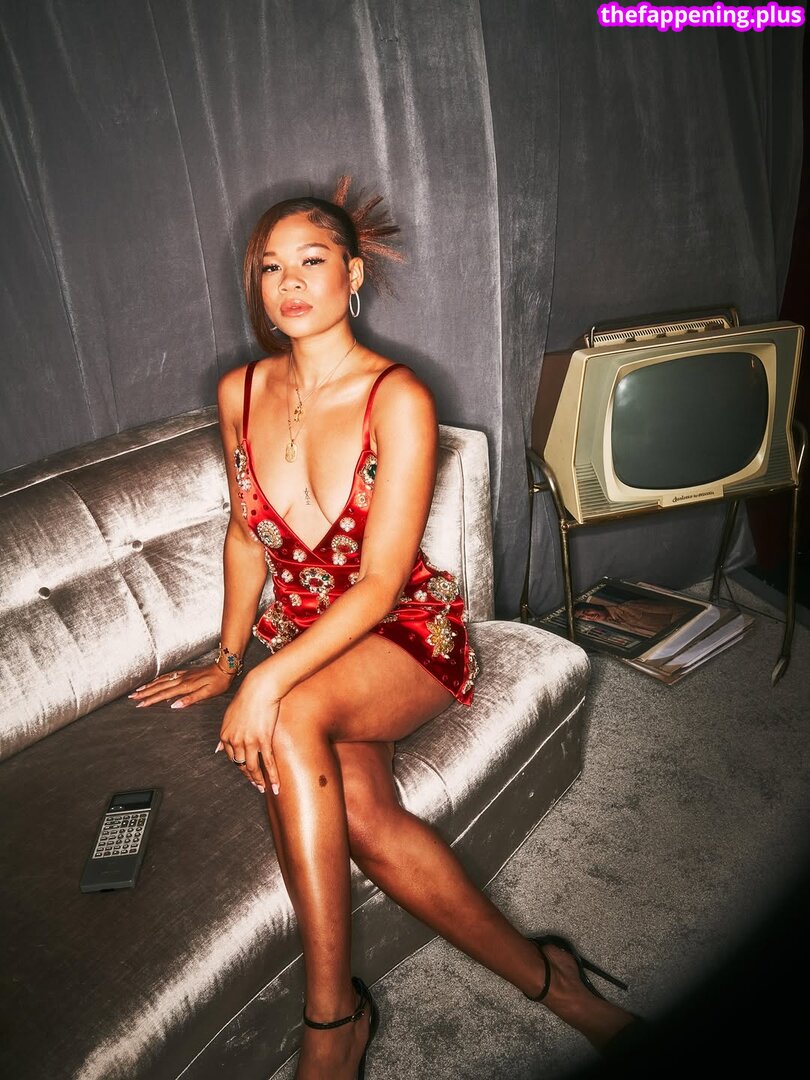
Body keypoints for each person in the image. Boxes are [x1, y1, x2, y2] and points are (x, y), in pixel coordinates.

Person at [130, 178, 640, 1079]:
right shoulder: (238, 389)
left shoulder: (396, 397)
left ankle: (330, 1022)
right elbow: (246, 534)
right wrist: (230, 655)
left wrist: (264, 681)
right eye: (271, 268)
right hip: (301, 640)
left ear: (353, 274)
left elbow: (377, 584)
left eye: (312, 261)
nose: (290, 283)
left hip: (399, 629)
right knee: (363, 816)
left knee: (289, 716)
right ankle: (557, 983)